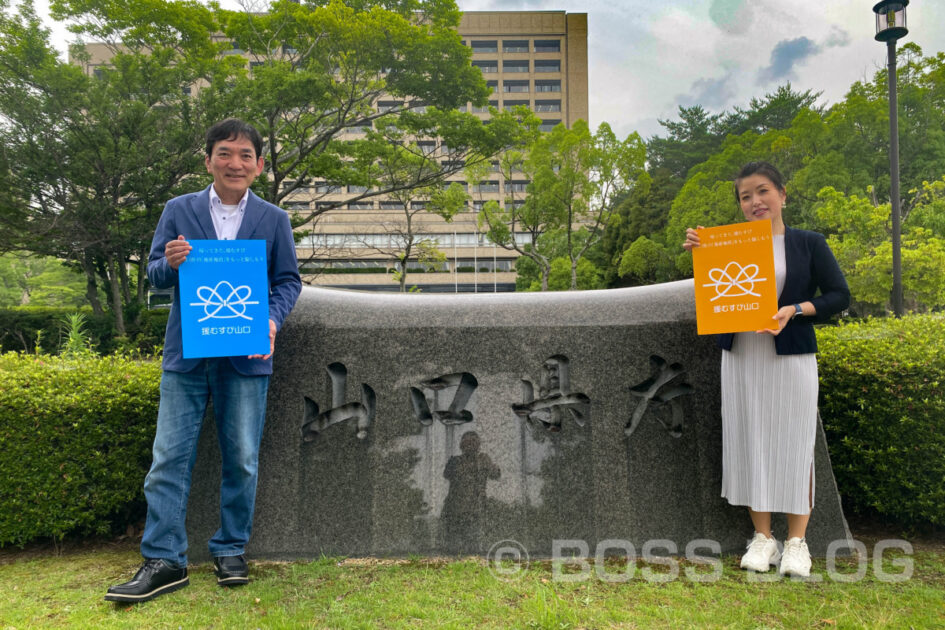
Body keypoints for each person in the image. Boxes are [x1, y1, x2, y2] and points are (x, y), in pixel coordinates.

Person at [106, 119, 302, 603]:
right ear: (208, 158)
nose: (235, 162)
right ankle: (164, 560)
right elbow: (154, 275)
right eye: (225, 153)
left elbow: (288, 282)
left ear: (258, 165)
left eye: (245, 155)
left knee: (242, 459)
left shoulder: (274, 219)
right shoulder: (179, 209)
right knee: (168, 458)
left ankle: (230, 547)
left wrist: (272, 321)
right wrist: (168, 263)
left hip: (246, 354)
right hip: (188, 355)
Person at [683, 161, 849, 578]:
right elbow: (718, 291)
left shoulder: (808, 243)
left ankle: (797, 542)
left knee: (795, 444)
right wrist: (701, 253)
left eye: (762, 191)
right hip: (742, 355)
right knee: (750, 437)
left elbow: (838, 296)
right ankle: (763, 538)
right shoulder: (729, 243)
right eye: (745, 196)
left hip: (790, 357)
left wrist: (794, 310)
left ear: (782, 194)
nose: (755, 201)